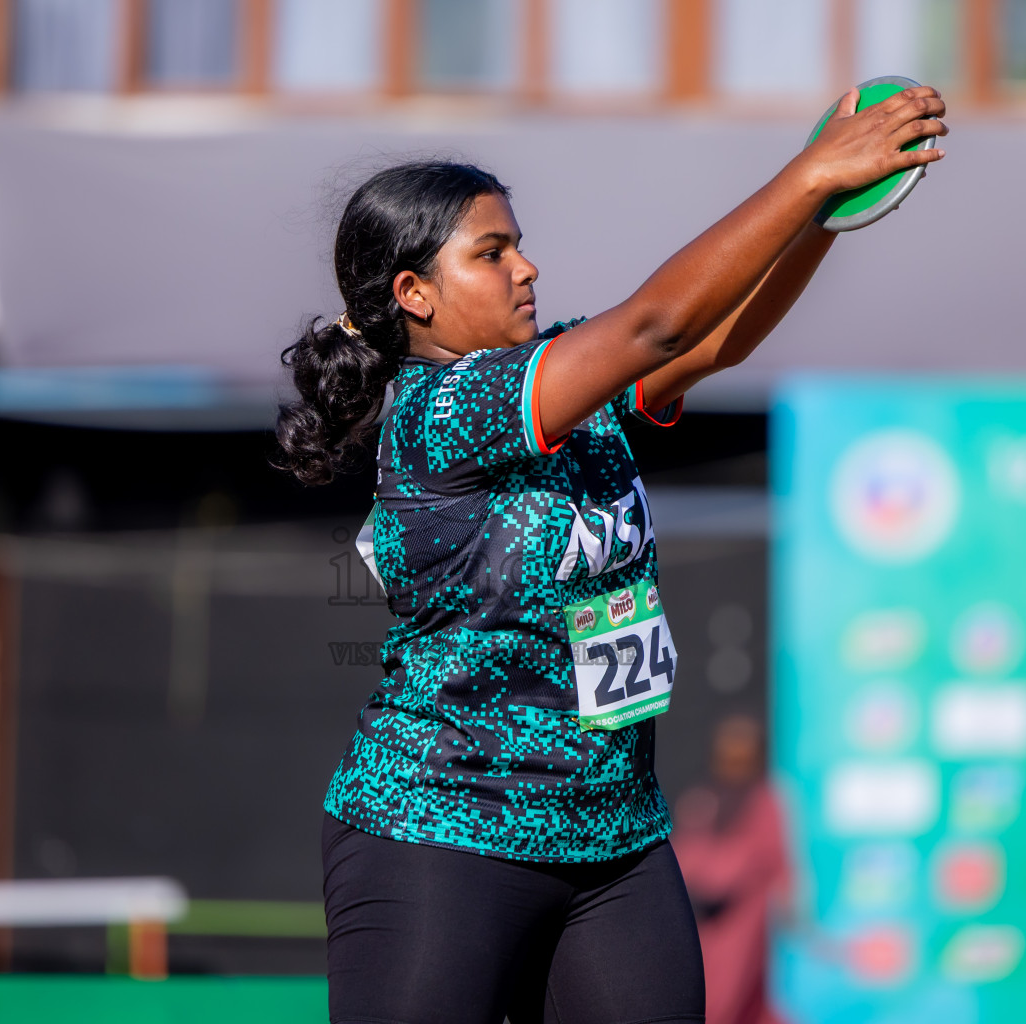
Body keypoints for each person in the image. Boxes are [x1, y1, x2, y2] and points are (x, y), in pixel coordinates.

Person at [275, 85, 948, 1024]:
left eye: (519, 243)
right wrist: (808, 175)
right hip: (442, 830)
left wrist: (826, 215)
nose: (526, 267)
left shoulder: (559, 375)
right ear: (413, 295)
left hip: (612, 836)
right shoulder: (442, 408)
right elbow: (653, 325)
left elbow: (710, 339)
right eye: (492, 252)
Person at [673, 715, 792, 1024]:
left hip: (745, 924)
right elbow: (686, 859)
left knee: (734, 1002)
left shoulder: (766, 801)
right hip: (702, 926)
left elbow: (776, 865)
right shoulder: (704, 800)